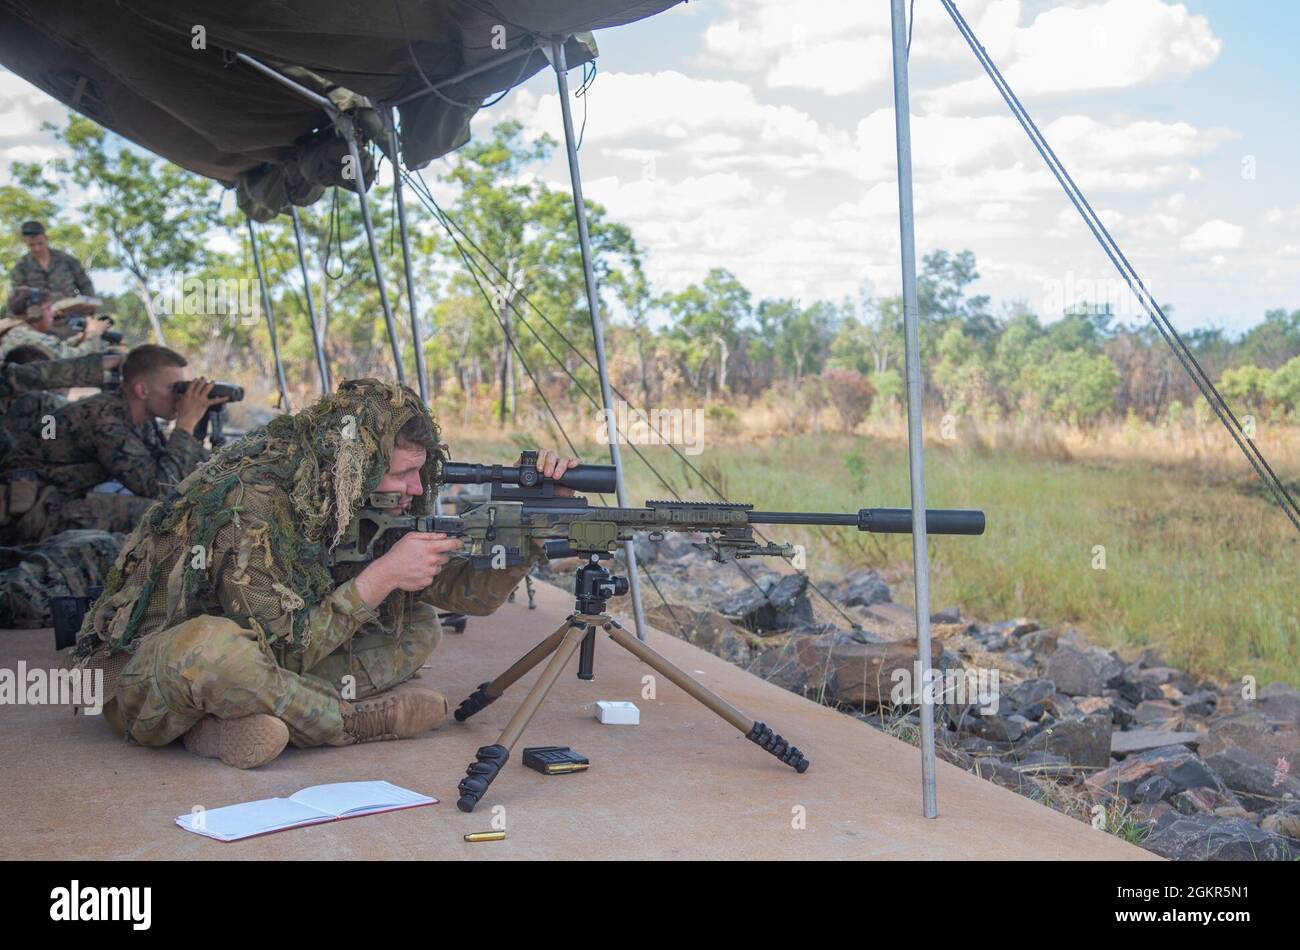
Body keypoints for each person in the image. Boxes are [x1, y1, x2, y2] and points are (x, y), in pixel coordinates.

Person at [72, 379, 578, 769]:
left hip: (260, 666)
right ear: (353, 463)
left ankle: (224, 727)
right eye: (401, 473)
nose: (412, 487)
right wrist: (377, 578)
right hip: (148, 679)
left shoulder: (350, 495)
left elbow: (469, 594)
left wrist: (532, 525)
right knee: (216, 647)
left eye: (419, 473)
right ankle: (355, 723)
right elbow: (279, 646)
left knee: (416, 627)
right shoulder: (252, 500)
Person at [4, 344, 222, 542]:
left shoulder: (139, 420)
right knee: (161, 515)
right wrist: (185, 424)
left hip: (56, 499)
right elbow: (161, 489)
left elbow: (170, 468)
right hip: (29, 513)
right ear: (142, 390)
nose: (179, 397)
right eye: (173, 389)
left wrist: (195, 426)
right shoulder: (104, 419)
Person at [0, 287, 112, 361]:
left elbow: (55, 348)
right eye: (48, 308)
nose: (52, 314)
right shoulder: (26, 336)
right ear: (35, 313)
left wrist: (81, 337)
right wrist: (94, 333)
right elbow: (70, 360)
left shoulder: (16, 331)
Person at [8, 220, 95, 306]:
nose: (37, 248)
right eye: (32, 245)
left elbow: (85, 284)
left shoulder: (66, 260)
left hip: (70, 312)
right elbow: (18, 297)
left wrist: (89, 307)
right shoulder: (21, 267)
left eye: (40, 243)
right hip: (39, 316)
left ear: (46, 238)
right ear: (24, 242)